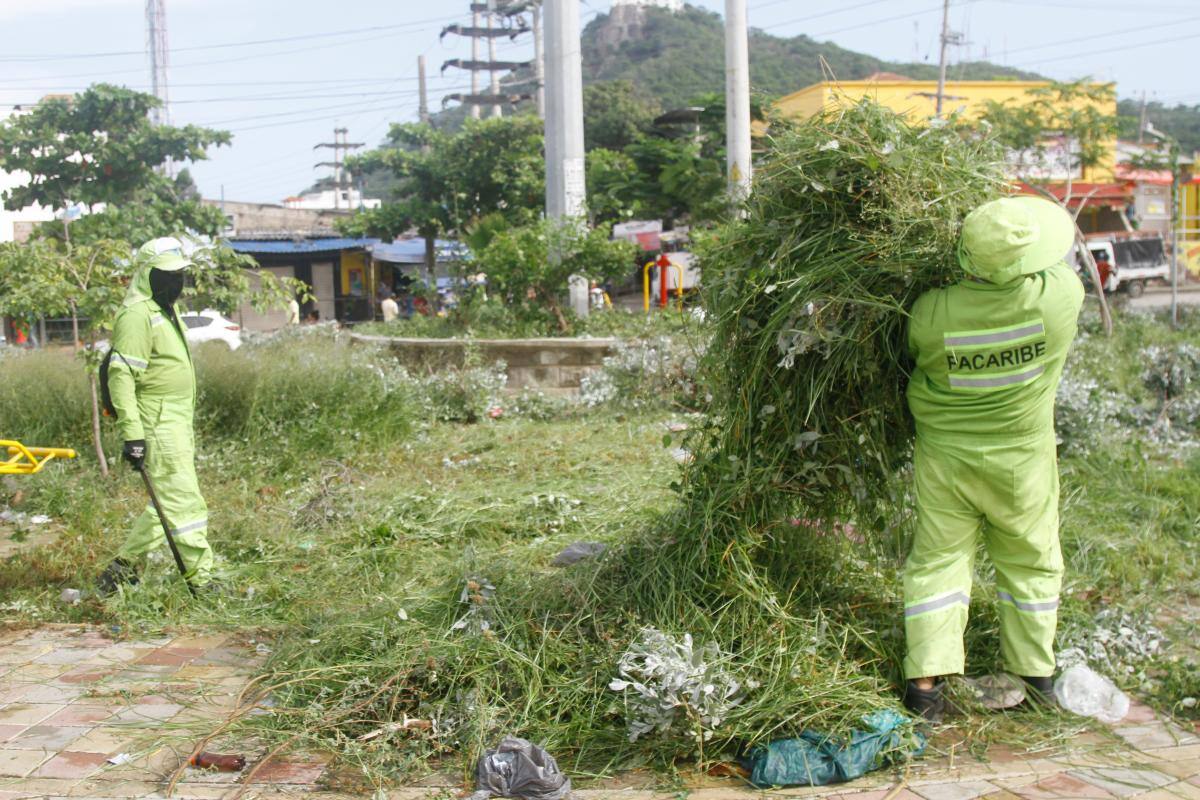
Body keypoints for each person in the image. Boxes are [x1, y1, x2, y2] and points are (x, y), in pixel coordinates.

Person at [902, 196, 1084, 722]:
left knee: (938, 564)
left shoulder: (928, 312)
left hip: (946, 461)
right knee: (1031, 562)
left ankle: (925, 689)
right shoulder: (1060, 300)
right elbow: (1055, 262)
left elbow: (912, 357)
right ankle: (1036, 678)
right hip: (1022, 463)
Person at [97, 237, 217, 596]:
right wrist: (133, 434)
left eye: (179, 274)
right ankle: (201, 580)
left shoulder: (165, 309)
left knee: (165, 500)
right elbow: (121, 377)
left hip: (176, 419)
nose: (175, 281)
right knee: (184, 501)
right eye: (167, 274)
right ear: (147, 275)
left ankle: (120, 570)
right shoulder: (137, 314)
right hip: (157, 421)